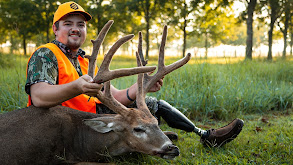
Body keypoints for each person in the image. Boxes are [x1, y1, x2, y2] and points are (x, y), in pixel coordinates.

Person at [25, 1, 243, 147]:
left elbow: (114, 97)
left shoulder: (83, 59)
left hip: (90, 117)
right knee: (134, 124)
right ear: (55, 28)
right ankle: (155, 141)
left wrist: (141, 88)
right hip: (63, 128)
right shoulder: (46, 54)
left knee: (151, 105)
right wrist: (77, 86)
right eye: (68, 24)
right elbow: (39, 97)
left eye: (80, 24)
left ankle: (206, 136)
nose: (75, 29)